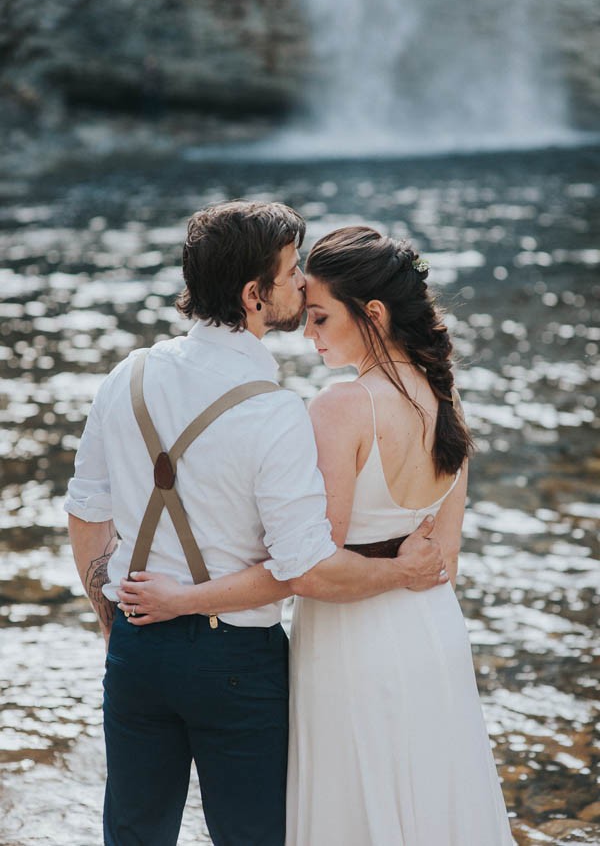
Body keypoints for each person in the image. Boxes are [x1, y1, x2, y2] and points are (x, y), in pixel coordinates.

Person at [65, 202, 449, 846]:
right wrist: (399, 570)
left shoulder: (125, 377)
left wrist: (113, 626)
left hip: (137, 645)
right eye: (292, 270)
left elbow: (84, 511)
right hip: (238, 662)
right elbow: (302, 568)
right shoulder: (276, 414)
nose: (303, 283)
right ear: (253, 295)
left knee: (133, 835)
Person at [284, 226, 514, 845]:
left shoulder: (342, 406)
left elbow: (315, 565)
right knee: (433, 807)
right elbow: (447, 559)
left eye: (320, 317)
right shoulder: (444, 397)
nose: (309, 333)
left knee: (356, 807)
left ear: (374, 315)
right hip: (431, 633)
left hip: (352, 643)